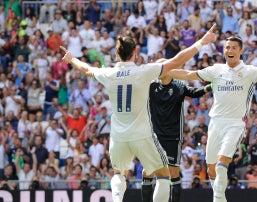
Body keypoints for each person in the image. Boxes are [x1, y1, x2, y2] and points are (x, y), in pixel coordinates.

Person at [60, 24, 216, 202]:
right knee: (164, 176)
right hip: (142, 135)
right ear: (135, 52)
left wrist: (72, 59)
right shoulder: (143, 72)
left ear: (117, 54)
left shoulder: (108, 73)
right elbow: (176, 61)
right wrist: (202, 42)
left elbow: (86, 69)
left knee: (118, 173)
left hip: (118, 136)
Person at [165, 36, 257, 202]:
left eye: (233, 47)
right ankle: (220, 196)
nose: (229, 50)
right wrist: (162, 70)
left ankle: (218, 199)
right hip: (215, 123)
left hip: (235, 124)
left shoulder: (249, 71)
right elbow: (188, 74)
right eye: (227, 47)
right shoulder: (216, 70)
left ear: (241, 51)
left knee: (221, 163)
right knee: (211, 168)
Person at [142, 58, 212, 202]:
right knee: (147, 172)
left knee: (174, 172)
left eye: (161, 67)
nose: (158, 70)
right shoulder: (150, 86)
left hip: (173, 137)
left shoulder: (179, 86)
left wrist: (210, 86)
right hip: (154, 136)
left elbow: (195, 92)